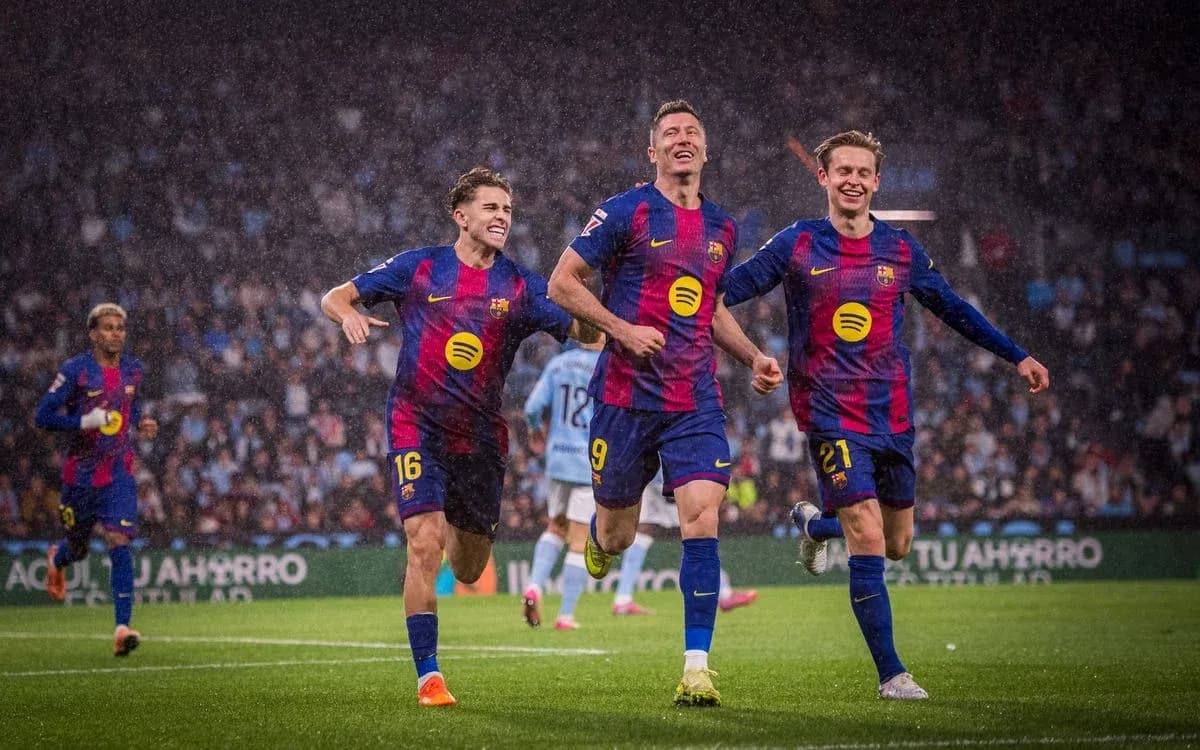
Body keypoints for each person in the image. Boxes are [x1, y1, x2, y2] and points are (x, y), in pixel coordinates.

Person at [722, 130, 1050, 700]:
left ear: (876, 181)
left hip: (892, 416)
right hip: (828, 413)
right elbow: (720, 292)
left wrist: (1016, 354)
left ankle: (814, 525)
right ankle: (892, 674)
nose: (852, 180)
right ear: (823, 178)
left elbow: (952, 308)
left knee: (896, 544)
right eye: (841, 170)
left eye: (863, 172)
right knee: (868, 533)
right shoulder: (797, 243)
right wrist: (749, 355)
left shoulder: (900, 250)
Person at [321, 166, 597, 708]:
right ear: (461, 215)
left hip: (480, 441)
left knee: (468, 566)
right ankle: (429, 676)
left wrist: (595, 307)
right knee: (423, 545)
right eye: (492, 208)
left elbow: (583, 333)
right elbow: (336, 295)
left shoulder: (519, 285)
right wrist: (347, 315)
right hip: (415, 427)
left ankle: (445, 513)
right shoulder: (420, 267)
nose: (502, 218)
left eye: (508, 210)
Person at [548, 100, 782, 707]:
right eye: (670, 134)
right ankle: (601, 540)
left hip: (693, 400)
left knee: (702, 517)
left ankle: (696, 666)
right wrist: (622, 331)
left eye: (692, 133)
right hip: (624, 399)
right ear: (652, 152)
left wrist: (751, 356)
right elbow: (561, 283)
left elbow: (712, 309)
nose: (683, 140)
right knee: (619, 535)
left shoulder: (723, 228)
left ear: (705, 151)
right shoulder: (625, 211)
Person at [35, 303, 158, 656]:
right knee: (78, 547)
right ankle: (58, 557)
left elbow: (131, 409)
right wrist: (83, 422)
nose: (116, 333)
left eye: (120, 327)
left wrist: (142, 423)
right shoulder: (75, 371)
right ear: (93, 334)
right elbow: (42, 417)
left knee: (119, 538)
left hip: (119, 473)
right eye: (107, 327)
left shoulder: (134, 370)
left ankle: (122, 628)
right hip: (80, 477)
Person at [520, 336, 604, 631]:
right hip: (588, 461)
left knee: (555, 527)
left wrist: (535, 430)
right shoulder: (605, 366)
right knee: (580, 541)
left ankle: (533, 587)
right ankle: (565, 615)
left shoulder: (558, 364)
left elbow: (532, 407)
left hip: (558, 459)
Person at [611, 470, 759, 616]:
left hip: (647, 471)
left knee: (645, 528)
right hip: (667, 472)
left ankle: (623, 598)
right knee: (697, 526)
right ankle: (724, 593)